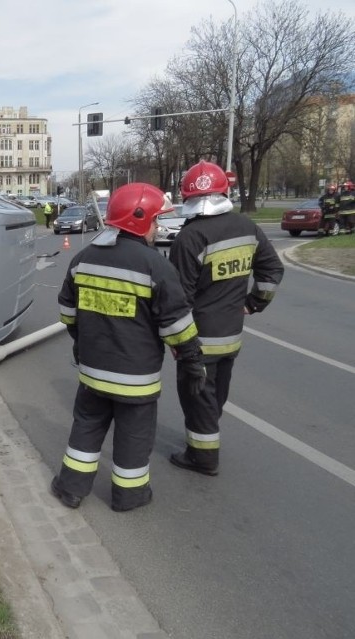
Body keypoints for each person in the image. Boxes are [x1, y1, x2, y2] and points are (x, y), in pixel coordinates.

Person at [51, 183, 205, 512]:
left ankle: (71, 488)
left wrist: (80, 340)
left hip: (92, 373)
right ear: (139, 220)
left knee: (86, 428)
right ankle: (129, 496)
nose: (158, 228)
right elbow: (177, 326)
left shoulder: (83, 258)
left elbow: (67, 310)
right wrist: (192, 361)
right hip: (136, 379)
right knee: (134, 438)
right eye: (155, 221)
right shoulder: (156, 267)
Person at [168, 160, 284, 476]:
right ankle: (205, 441)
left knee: (198, 399)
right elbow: (272, 270)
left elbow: (179, 300)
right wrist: (254, 302)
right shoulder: (247, 227)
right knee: (215, 394)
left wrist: (176, 342)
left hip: (198, 340)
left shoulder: (189, 238)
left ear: (187, 195)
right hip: (231, 336)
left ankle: (203, 458)